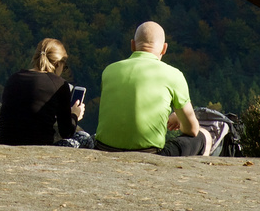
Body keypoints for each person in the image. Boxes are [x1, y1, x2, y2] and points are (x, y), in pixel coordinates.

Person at [93, 21, 226, 156]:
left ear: (132, 45)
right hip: (150, 153)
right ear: (164, 48)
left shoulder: (109, 71)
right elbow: (191, 130)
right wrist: (179, 118)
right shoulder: (174, 75)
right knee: (203, 136)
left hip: (103, 148)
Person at [0, 38, 93, 148]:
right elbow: (66, 132)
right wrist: (75, 114)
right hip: (38, 150)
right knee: (84, 137)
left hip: (4, 146)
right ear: (58, 64)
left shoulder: (13, 78)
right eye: (64, 67)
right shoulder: (59, 84)